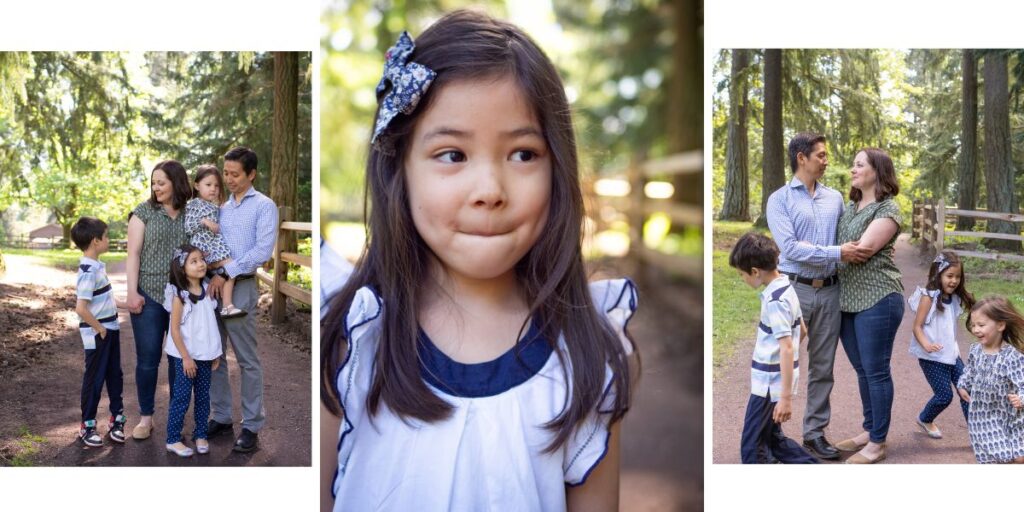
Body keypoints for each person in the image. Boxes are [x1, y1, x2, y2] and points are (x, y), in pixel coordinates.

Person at [319, 11, 636, 511]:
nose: (489, 191)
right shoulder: (351, 337)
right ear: (399, 169)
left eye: (523, 154)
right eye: (452, 155)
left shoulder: (588, 356)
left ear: (558, 167)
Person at [765, 133, 871, 460]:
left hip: (830, 290)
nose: (826, 160)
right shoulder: (779, 200)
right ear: (802, 157)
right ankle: (768, 434)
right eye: (821, 155)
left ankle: (814, 433)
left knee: (823, 367)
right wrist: (838, 252)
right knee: (777, 361)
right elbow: (792, 249)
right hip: (794, 289)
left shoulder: (835, 198)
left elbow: (851, 235)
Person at [833, 148, 904, 464]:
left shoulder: (887, 208)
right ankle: (869, 428)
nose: (852, 169)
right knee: (862, 369)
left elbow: (863, 250)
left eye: (859, 164)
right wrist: (836, 251)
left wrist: (829, 252)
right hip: (848, 300)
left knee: (876, 371)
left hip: (879, 298)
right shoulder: (850, 207)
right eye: (853, 165)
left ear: (878, 170)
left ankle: (878, 442)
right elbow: (845, 250)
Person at [205, 146, 277, 453]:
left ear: (251, 174)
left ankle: (251, 425)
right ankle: (221, 417)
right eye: (226, 173)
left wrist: (227, 271)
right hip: (211, 288)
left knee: (247, 360)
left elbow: (262, 251)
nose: (229, 179)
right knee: (214, 355)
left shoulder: (264, 206)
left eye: (236, 174)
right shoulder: (221, 207)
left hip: (242, 288)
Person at [729, 232, 817, 464]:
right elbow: (803, 331)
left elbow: (787, 348)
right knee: (774, 440)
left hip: (768, 386)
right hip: (774, 382)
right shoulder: (786, 288)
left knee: (752, 450)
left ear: (755, 271)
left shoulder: (775, 301)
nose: (742, 278)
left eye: (741, 274)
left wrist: (784, 397)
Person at [126, 160, 190, 440]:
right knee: (148, 360)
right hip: (149, 293)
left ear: (176, 182)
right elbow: (133, 254)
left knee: (179, 360)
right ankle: (146, 418)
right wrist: (132, 292)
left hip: (183, 297)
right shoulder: (143, 212)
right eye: (153, 183)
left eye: (161, 182)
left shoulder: (192, 211)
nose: (156, 188)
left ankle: (175, 422)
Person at [71, 217, 129, 447]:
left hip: (109, 330)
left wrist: (127, 305)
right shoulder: (87, 271)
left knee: (115, 375)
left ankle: (116, 419)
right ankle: (87, 425)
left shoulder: (96, 267)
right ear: (96, 241)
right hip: (99, 334)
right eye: (106, 236)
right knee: (94, 378)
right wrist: (100, 329)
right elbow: (81, 308)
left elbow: (104, 299)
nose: (109, 240)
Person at [162, 244, 223, 457]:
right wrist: (186, 358)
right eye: (193, 261)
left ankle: (201, 434)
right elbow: (175, 330)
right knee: (181, 396)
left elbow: (209, 325)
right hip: (184, 357)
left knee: (203, 396)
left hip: (204, 355)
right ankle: (172, 439)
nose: (200, 264)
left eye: (201, 260)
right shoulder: (180, 296)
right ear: (181, 267)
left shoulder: (208, 291)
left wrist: (215, 352)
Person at [907, 251, 975, 439]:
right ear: (938, 275)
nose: (953, 281)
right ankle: (925, 418)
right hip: (932, 357)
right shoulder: (928, 296)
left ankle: (977, 433)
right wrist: (927, 345)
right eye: (949, 276)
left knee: (967, 390)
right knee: (945, 396)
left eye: (957, 277)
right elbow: (917, 327)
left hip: (952, 355)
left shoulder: (955, 298)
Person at [956, 296, 1024, 463]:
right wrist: (963, 385)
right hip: (981, 418)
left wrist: (1021, 398)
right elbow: (969, 372)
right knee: (992, 459)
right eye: (973, 325)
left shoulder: (1012, 357)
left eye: (981, 325)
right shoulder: (975, 351)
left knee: (1017, 459)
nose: (975, 330)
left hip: (1008, 418)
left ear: (1000, 325)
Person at [184, 164, 243, 318]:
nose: (213, 189)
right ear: (197, 185)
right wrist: (205, 221)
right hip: (203, 247)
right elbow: (188, 227)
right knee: (230, 265)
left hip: (214, 246)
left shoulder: (215, 206)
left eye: (216, 185)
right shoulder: (193, 205)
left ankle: (226, 305)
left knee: (231, 267)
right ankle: (226, 305)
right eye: (208, 185)